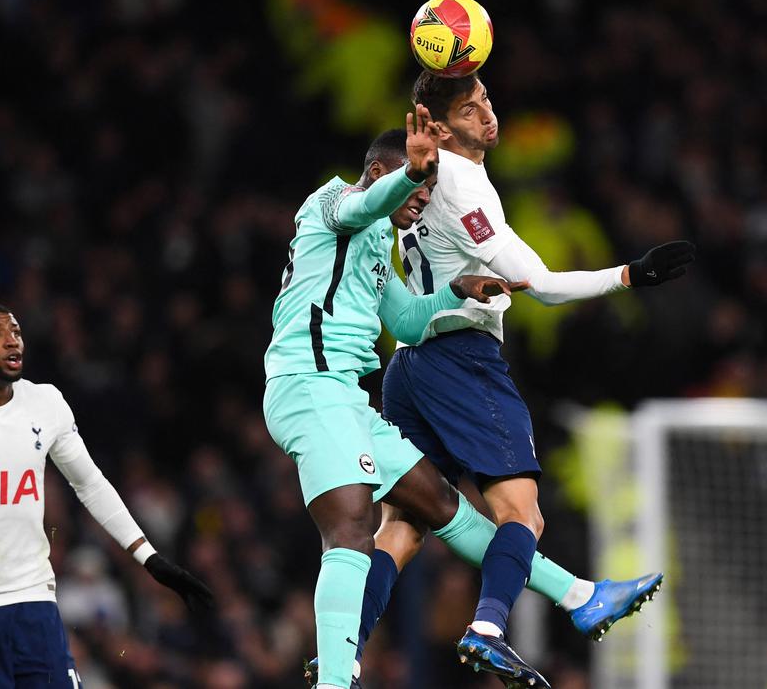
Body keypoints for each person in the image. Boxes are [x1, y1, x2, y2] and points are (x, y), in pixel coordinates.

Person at [355, 70, 684, 684]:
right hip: (461, 358)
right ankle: (489, 628)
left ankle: (346, 640)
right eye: (469, 106)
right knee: (522, 516)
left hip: (409, 365)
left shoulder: (421, 179)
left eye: (485, 99)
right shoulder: (463, 188)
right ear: (441, 125)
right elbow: (546, 287)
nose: (487, 112)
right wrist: (629, 276)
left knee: (402, 525)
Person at [262, 107, 558, 689]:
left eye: (425, 189)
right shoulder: (331, 201)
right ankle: (335, 677)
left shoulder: (377, 246)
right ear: (377, 170)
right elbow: (362, 205)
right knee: (352, 529)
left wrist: (456, 290)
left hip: (344, 397)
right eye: (414, 185)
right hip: (308, 384)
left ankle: (578, 596)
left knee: (440, 505)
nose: (421, 198)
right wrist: (411, 170)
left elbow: (405, 320)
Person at [0, 303, 213, 688]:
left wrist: (148, 557)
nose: (12, 341)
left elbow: (90, 483)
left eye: (15, 331)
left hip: (34, 606)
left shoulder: (46, 403)